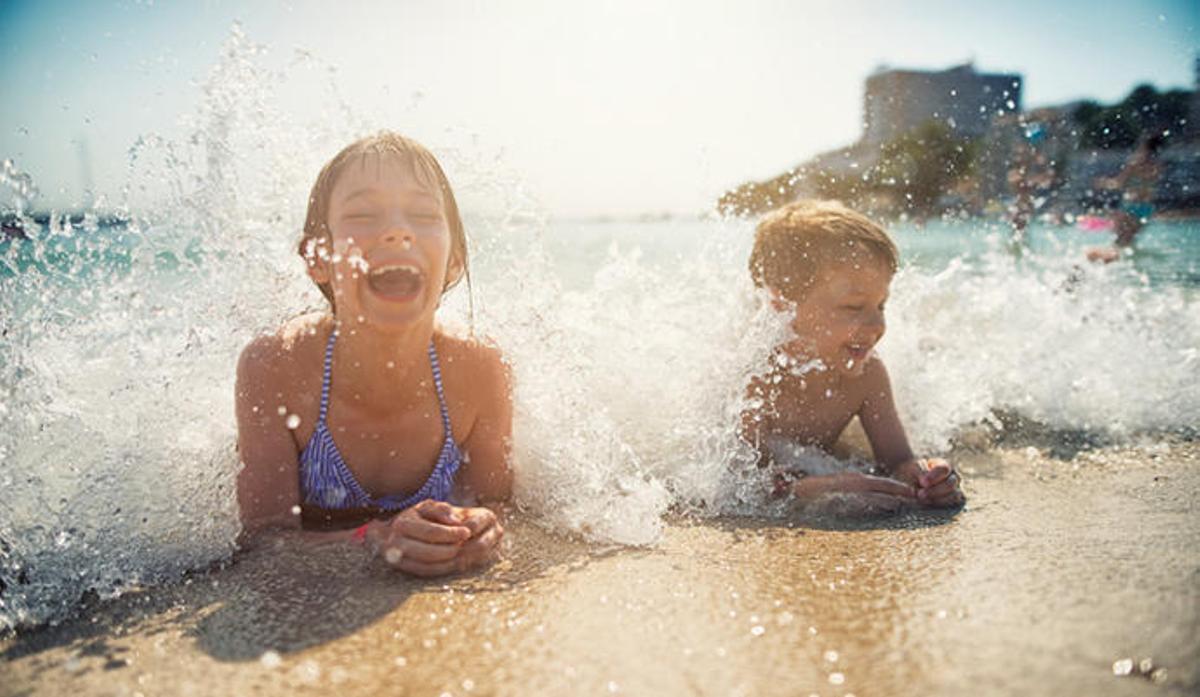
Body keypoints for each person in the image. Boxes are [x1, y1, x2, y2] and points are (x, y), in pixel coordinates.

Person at [235, 132, 512, 577]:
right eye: (363, 214)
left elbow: (498, 502)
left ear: (455, 259)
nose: (397, 230)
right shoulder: (276, 367)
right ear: (316, 257)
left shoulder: (478, 370)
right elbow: (264, 541)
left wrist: (484, 529)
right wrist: (375, 538)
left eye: (423, 214)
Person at [741, 200, 964, 510]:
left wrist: (925, 477)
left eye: (881, 305)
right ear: (782, 304)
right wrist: (820, 490)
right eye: (853, 307)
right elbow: (735, 486)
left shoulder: (867, 377)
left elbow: (898, 461)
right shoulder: (752, 378)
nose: (877, 325)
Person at [1087, 133, 1165, 263]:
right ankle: (1123, 267)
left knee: (1119, 242)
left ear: (1144, 146)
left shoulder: (1135, 163)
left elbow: (1118, 183)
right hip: (1146, 208)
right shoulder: (1158, 167)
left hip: (1131, 206)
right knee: (1128, 243)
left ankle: (1102, 261)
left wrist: (1102, 183)